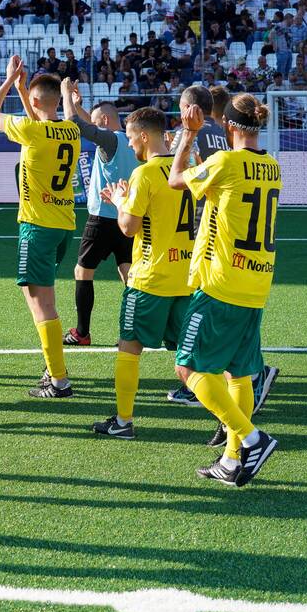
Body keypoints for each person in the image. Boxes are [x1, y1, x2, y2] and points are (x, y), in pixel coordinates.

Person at [167, 94, 281, 487]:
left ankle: (251, 439)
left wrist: (188, 135)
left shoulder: (225, 162)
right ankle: (232, 459)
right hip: (257, 281)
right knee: (240, 372)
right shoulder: (271, 166)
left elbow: (175, 179)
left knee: (188, 368)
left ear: (229, 126)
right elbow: (221, 189)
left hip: (222, 281)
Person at [88, 106, 194, 439]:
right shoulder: (185, 169)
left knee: (129, 346)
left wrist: (120, 201)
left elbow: (129, 228)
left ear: (144, 136)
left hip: (150, 279)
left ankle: (122, 421)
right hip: (185, 276)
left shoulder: (144, 174)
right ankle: (230, 415)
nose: (130, 144)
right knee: (188, 358)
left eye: (132, 138)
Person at [0, 56, 81, 398]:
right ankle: (54, 365)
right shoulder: (70, 130)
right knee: (35, 295)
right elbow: (47, 120)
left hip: (37, 226)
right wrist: (26, 92)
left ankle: (58, 379)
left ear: (36, 103)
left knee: (42, 304)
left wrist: (9, 82)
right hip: (63, 225)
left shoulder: (32, 131)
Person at [60, 88, 139, 347]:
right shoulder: (132, 141)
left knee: (83, 272)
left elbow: (77, 124)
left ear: (104, 122)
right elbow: (92, 124)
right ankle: (131, 332)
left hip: (102, 218)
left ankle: (82, 332)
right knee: (128, 273)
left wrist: (65, 93)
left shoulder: (109, 141)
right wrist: (80, 105)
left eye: (96, 122)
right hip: (127, 215)